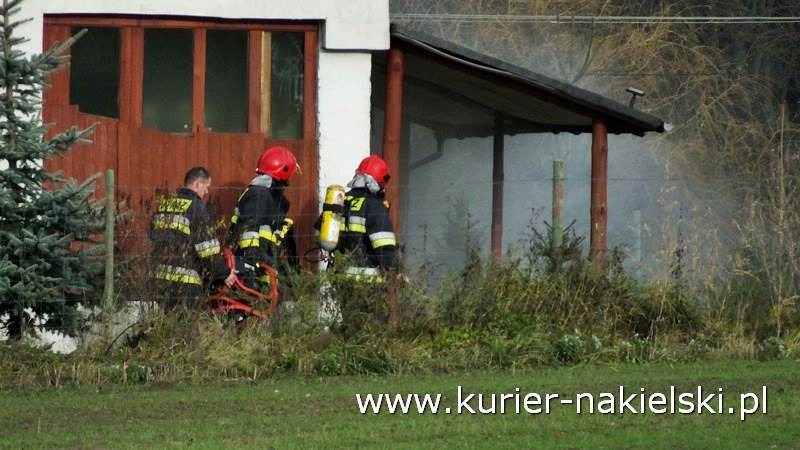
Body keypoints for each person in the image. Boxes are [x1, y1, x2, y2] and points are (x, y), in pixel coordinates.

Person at [150, 167, 236, 310]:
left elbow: (153, 238)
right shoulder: (197, 208)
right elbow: (208, 251)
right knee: (192, 326)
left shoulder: (165, 205)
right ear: (197, 184)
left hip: (161, 281)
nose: (207, 192)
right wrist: (224, 273)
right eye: (206, 187)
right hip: (186, 284)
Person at [226, 146, 300, 290]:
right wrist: (253, 263)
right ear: (283, 171)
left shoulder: (274, 198)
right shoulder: (259, 195)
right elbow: (249, 229)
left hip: (265, 265)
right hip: (251, 269)